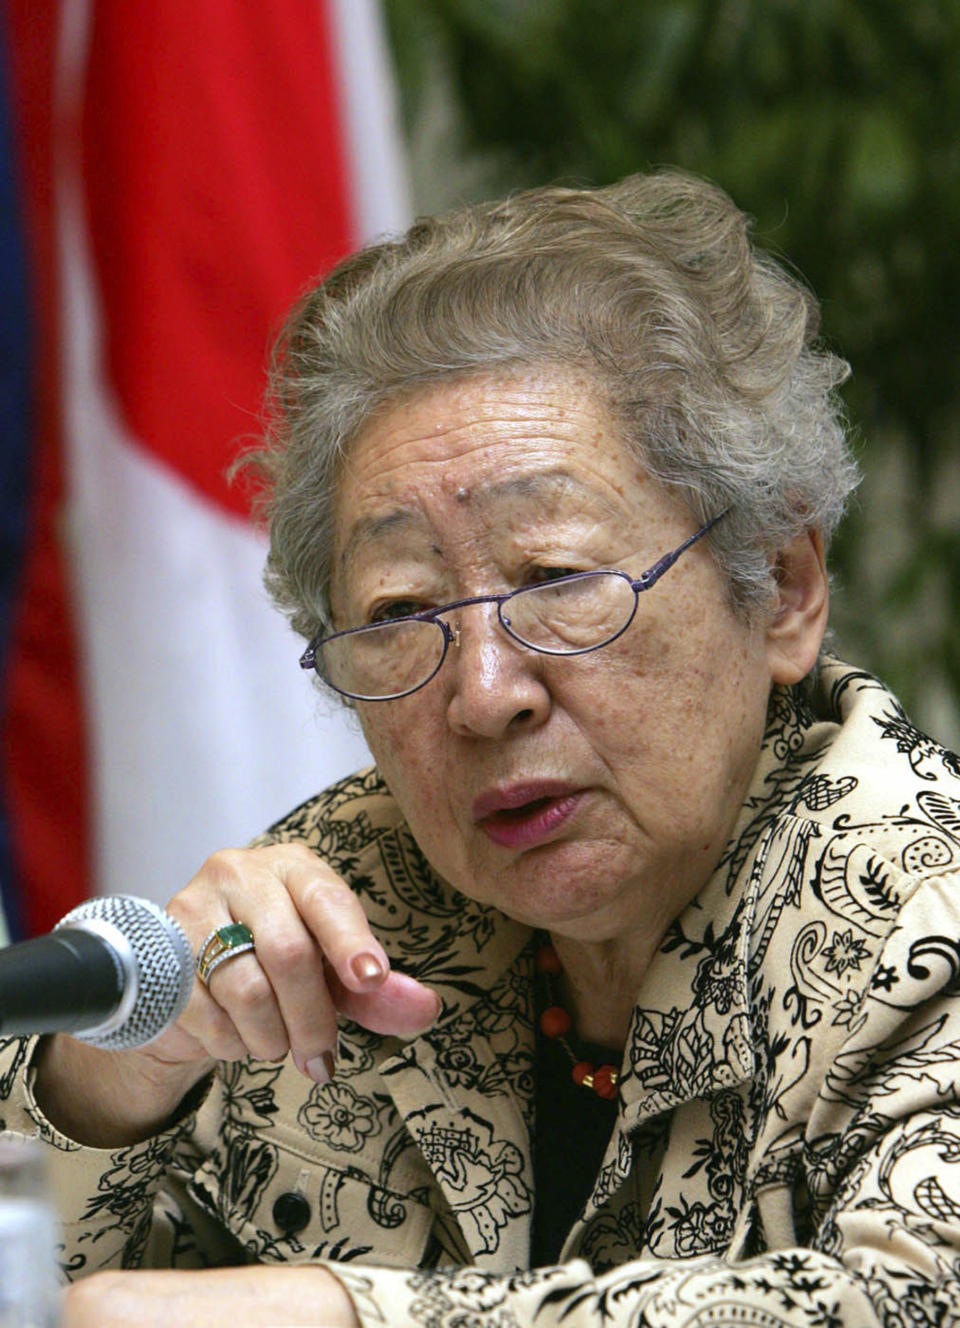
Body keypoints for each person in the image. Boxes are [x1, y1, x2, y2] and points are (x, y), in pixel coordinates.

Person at [2, 169, 959, 1328]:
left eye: (556, 582)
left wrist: (358, 1316)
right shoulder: (344, 915)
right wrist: (113, 1084)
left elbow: (913, 1295)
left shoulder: (921, 906)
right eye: (400, 611)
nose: (483, 694)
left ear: (786, 588)